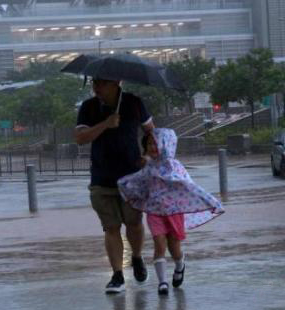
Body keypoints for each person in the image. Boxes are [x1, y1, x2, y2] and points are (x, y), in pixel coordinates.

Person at [118, 128, 224, 295]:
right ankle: (162, 283)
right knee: (159, 244)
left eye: (156, 143)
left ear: (166, 145)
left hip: (175, 212)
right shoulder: (148, 167)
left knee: (174, 247)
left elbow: (189, 186)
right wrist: (125, 186)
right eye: (150, 143)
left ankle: (180, 264)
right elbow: (139, 183)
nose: (152, 147)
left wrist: (209, 201)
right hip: (155, 212)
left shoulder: (175, 166)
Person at [75, 78, 154, 294]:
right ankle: (117, 275)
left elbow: (150, 132)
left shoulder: (134, 103)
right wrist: (105, 124)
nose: (96, 88)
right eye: (94, 83)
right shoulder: (89, 107)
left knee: (134, 223)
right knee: (111, 228)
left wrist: (147, 155)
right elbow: (80, 137)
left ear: (116, 83)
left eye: (102, 83)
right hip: (102, 178)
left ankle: (137, 257)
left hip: (132, 178)